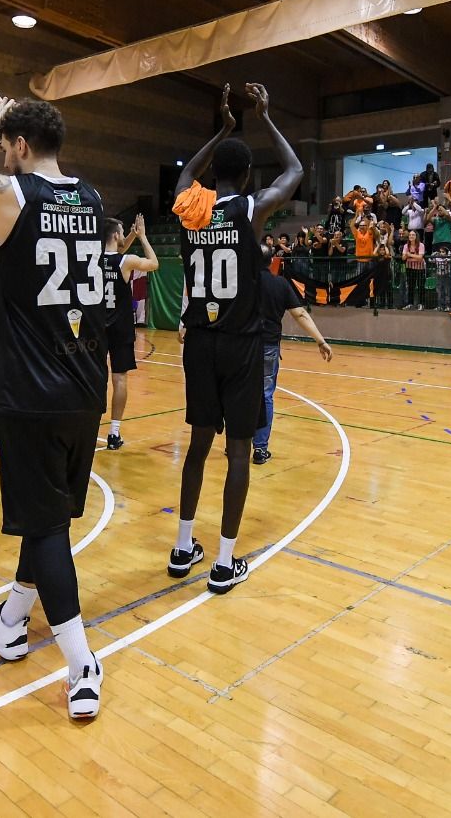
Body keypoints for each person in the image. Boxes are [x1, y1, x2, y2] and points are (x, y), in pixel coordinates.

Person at [0, 92, 111, 720]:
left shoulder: (8, 194)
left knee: (46, 528)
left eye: (7, 144)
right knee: (48, 514)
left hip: (31, 390)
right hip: (86, 385)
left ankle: (80, 662)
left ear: (18, 146)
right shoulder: (93, 200)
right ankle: (11, 618)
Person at [168, 82, 301, 598]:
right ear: (245, 175)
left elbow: (185, 173)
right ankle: (224, 561)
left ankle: (183, 548)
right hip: (242, 344)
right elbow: (294, 171)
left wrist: (223, 126)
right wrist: (265, 118)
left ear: (212, 173)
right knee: (239, 449)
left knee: (199, 445)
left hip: (198, 342)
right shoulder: (249, 210)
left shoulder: (188, 207)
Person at [251, 270, 333, 464]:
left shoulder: (241, 279)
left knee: (239, 392)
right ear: (272, 262)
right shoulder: (280, 284)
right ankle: (260, 449)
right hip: (268, 346)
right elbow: (300, 313)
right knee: (265, 396)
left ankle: (236, 443)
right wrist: (320, 341)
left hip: (241, 345)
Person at [100, 215, 159, 451]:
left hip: (96, 326)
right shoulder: (126, 262)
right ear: (115, 235)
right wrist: (142, 236)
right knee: (119, 379)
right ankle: (114, 432)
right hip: (120, 328)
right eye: (123, 231)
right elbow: (154, 263)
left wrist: (132, 233)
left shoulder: (90, 259)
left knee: (95, 378)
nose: (125, 235)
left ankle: (87, 423)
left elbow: (118, 248)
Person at [402, 230, 427, 309]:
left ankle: (421, 304)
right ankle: (410, 303)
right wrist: (410, 255)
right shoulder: (406, 246)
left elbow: (420, 258)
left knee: (420, 286)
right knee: (410, 286)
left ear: (416, 236)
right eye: (410, 235)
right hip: (410, 267)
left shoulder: (421, 245)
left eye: (413, 235)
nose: (411, 236)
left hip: (420, 268)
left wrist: (409, 255)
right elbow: (403, 258)